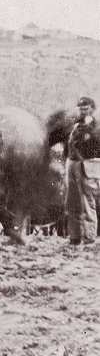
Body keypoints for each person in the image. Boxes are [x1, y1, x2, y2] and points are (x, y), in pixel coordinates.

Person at [65, 96, 100, 245]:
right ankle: (75, 236)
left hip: (87, 163)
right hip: (72, 163)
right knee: (71, 202)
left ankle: (89, 236)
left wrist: (87, 130)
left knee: (87, 201)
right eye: (81, 108)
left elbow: (93, 145)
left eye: (86, 109)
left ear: (93, 109)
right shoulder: (76, 124)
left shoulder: (96, 127)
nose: (83, 111)